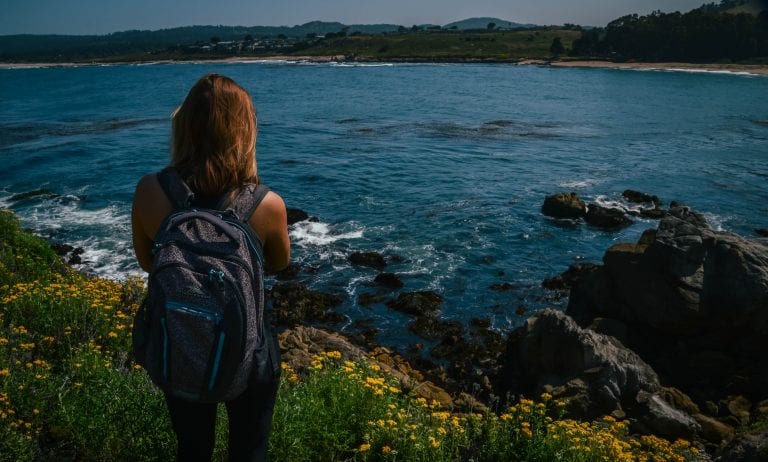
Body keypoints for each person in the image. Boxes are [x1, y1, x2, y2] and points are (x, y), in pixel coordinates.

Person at [131, 73, 290, 462]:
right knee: (250, 451)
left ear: (184, 125)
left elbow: (147, 261)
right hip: (247, 351)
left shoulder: (150, 190)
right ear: (244, 130)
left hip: (179, 339)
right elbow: (279, 264)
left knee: (192, 449)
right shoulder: (267, 205)